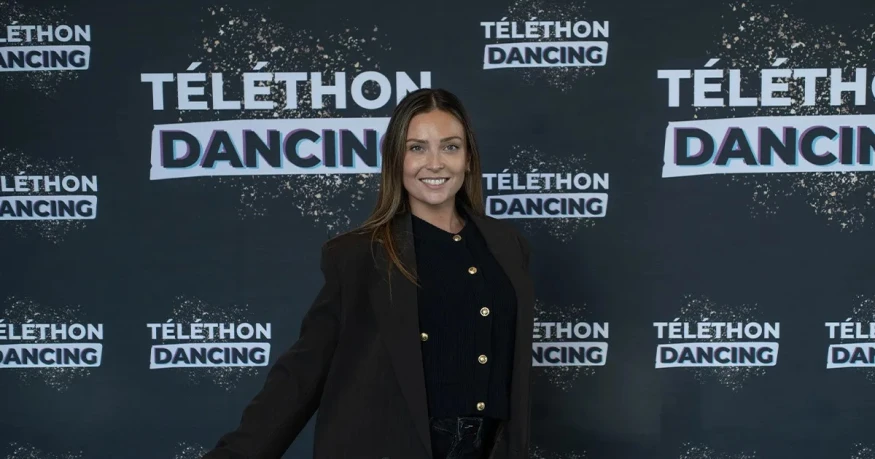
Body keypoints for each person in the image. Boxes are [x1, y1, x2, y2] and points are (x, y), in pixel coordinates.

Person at [202, 88, 535, 459]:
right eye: (417, 148)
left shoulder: (507, 245)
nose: (435, 163)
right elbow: (303, 373)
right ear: (395, 160)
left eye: (450, 147)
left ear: (468, 159)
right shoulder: (359, 255)